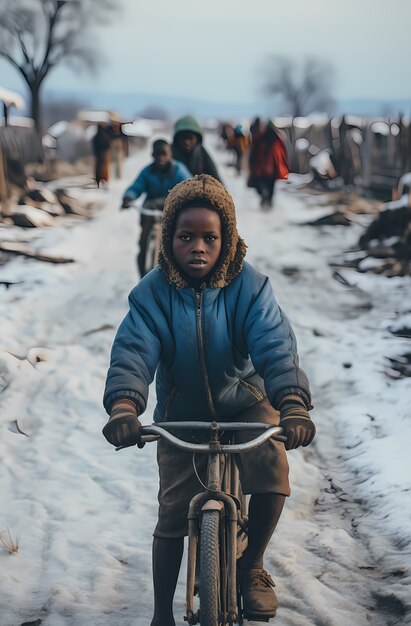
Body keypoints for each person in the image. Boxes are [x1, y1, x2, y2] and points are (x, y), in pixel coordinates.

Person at [102, 174, 316, 626]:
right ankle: (162, 612)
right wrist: (125, 405)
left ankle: (251, 564)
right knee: (173, 513)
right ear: (168, 239)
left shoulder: (251, 289)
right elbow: (134, 352)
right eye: (186, 236)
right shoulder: (151, 295)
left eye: (209, 237)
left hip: (247, 401)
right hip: (182, 415)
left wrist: (292, 401)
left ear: (228, 238)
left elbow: (275, 345)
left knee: (271, 465)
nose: (197, 246)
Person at [121, 139, 191, 276]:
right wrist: (128, 197)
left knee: (178, 246)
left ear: (170, 154)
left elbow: (189, 186)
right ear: (152, 155)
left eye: (164, 154)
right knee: (143, 246)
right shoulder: (147, 171)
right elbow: (136, 187)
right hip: (150, 213)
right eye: (157, 154)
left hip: (171, 214)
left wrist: (188, 199)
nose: (160, 158)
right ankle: (143, 279)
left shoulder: (178, 170)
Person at [248, 119, 289, 209]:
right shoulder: (274, 138)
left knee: (265, 188)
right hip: (271, 168)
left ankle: (267, 204)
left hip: (266, 169)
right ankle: (267, 203)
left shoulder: (269, 139)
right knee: (268, 188)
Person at [172, 115, 222, 182]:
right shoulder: (169, 154)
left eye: (190, 138)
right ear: (177, 139)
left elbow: (217, 182)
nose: (187, 142)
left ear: (197, 139)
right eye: (183, 138)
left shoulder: (202, 155)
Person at [92, 123, 111, 188]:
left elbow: (94, 145)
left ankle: (98, 181)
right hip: (104, 155)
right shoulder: (105, 136)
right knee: (104, 168)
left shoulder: (96, 136)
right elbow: (108, 145)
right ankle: (104, 181)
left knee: (98, 168)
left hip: (98, 155)